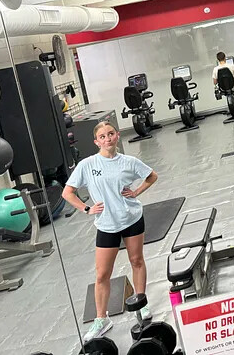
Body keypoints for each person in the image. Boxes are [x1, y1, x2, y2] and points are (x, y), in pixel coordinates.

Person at [62, 121, 158, 341]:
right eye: (102, 136)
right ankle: (101, 319)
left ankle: (140, 302)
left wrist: (136, 192)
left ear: (117, 136)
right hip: (106, 224)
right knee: (102, 274)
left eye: (111, 134)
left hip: (131, 218)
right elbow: (68, 193)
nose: (107, 139)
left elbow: (152, 176)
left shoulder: (128, 162)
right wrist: (87, 208)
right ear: (96, 141)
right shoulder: (87, 165)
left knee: (137, 261)